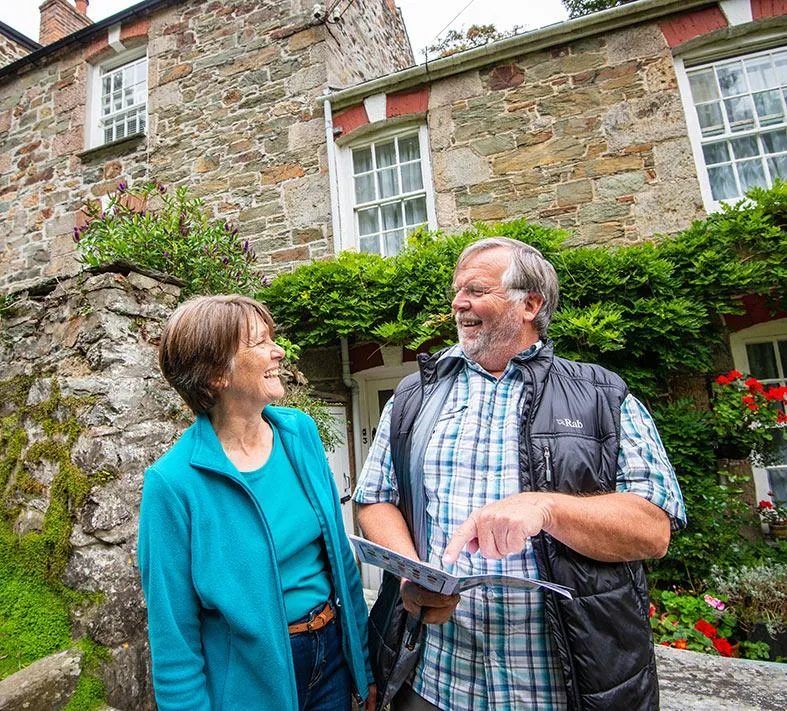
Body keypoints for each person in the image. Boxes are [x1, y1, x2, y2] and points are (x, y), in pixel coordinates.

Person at [353, 238, 686, 711]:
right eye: (456, 290)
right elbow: (375, 497)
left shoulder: (602, 395)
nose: (458, 303)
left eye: (476, 290)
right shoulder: (413, 396)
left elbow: (653, 530)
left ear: (530, 304)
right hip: (433, 681)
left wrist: (546, 507)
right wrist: (413, 574)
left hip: (559, 689)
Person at [138, 294, 376, 711]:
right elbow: (173, 632)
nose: (278, 350)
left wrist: (364, 666)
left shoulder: (299, 434)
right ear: (216, 375)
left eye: (272, 338)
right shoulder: (172, 483)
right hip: (250, 683)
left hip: (332, 655)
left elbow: (339, 557)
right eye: (259, 342)